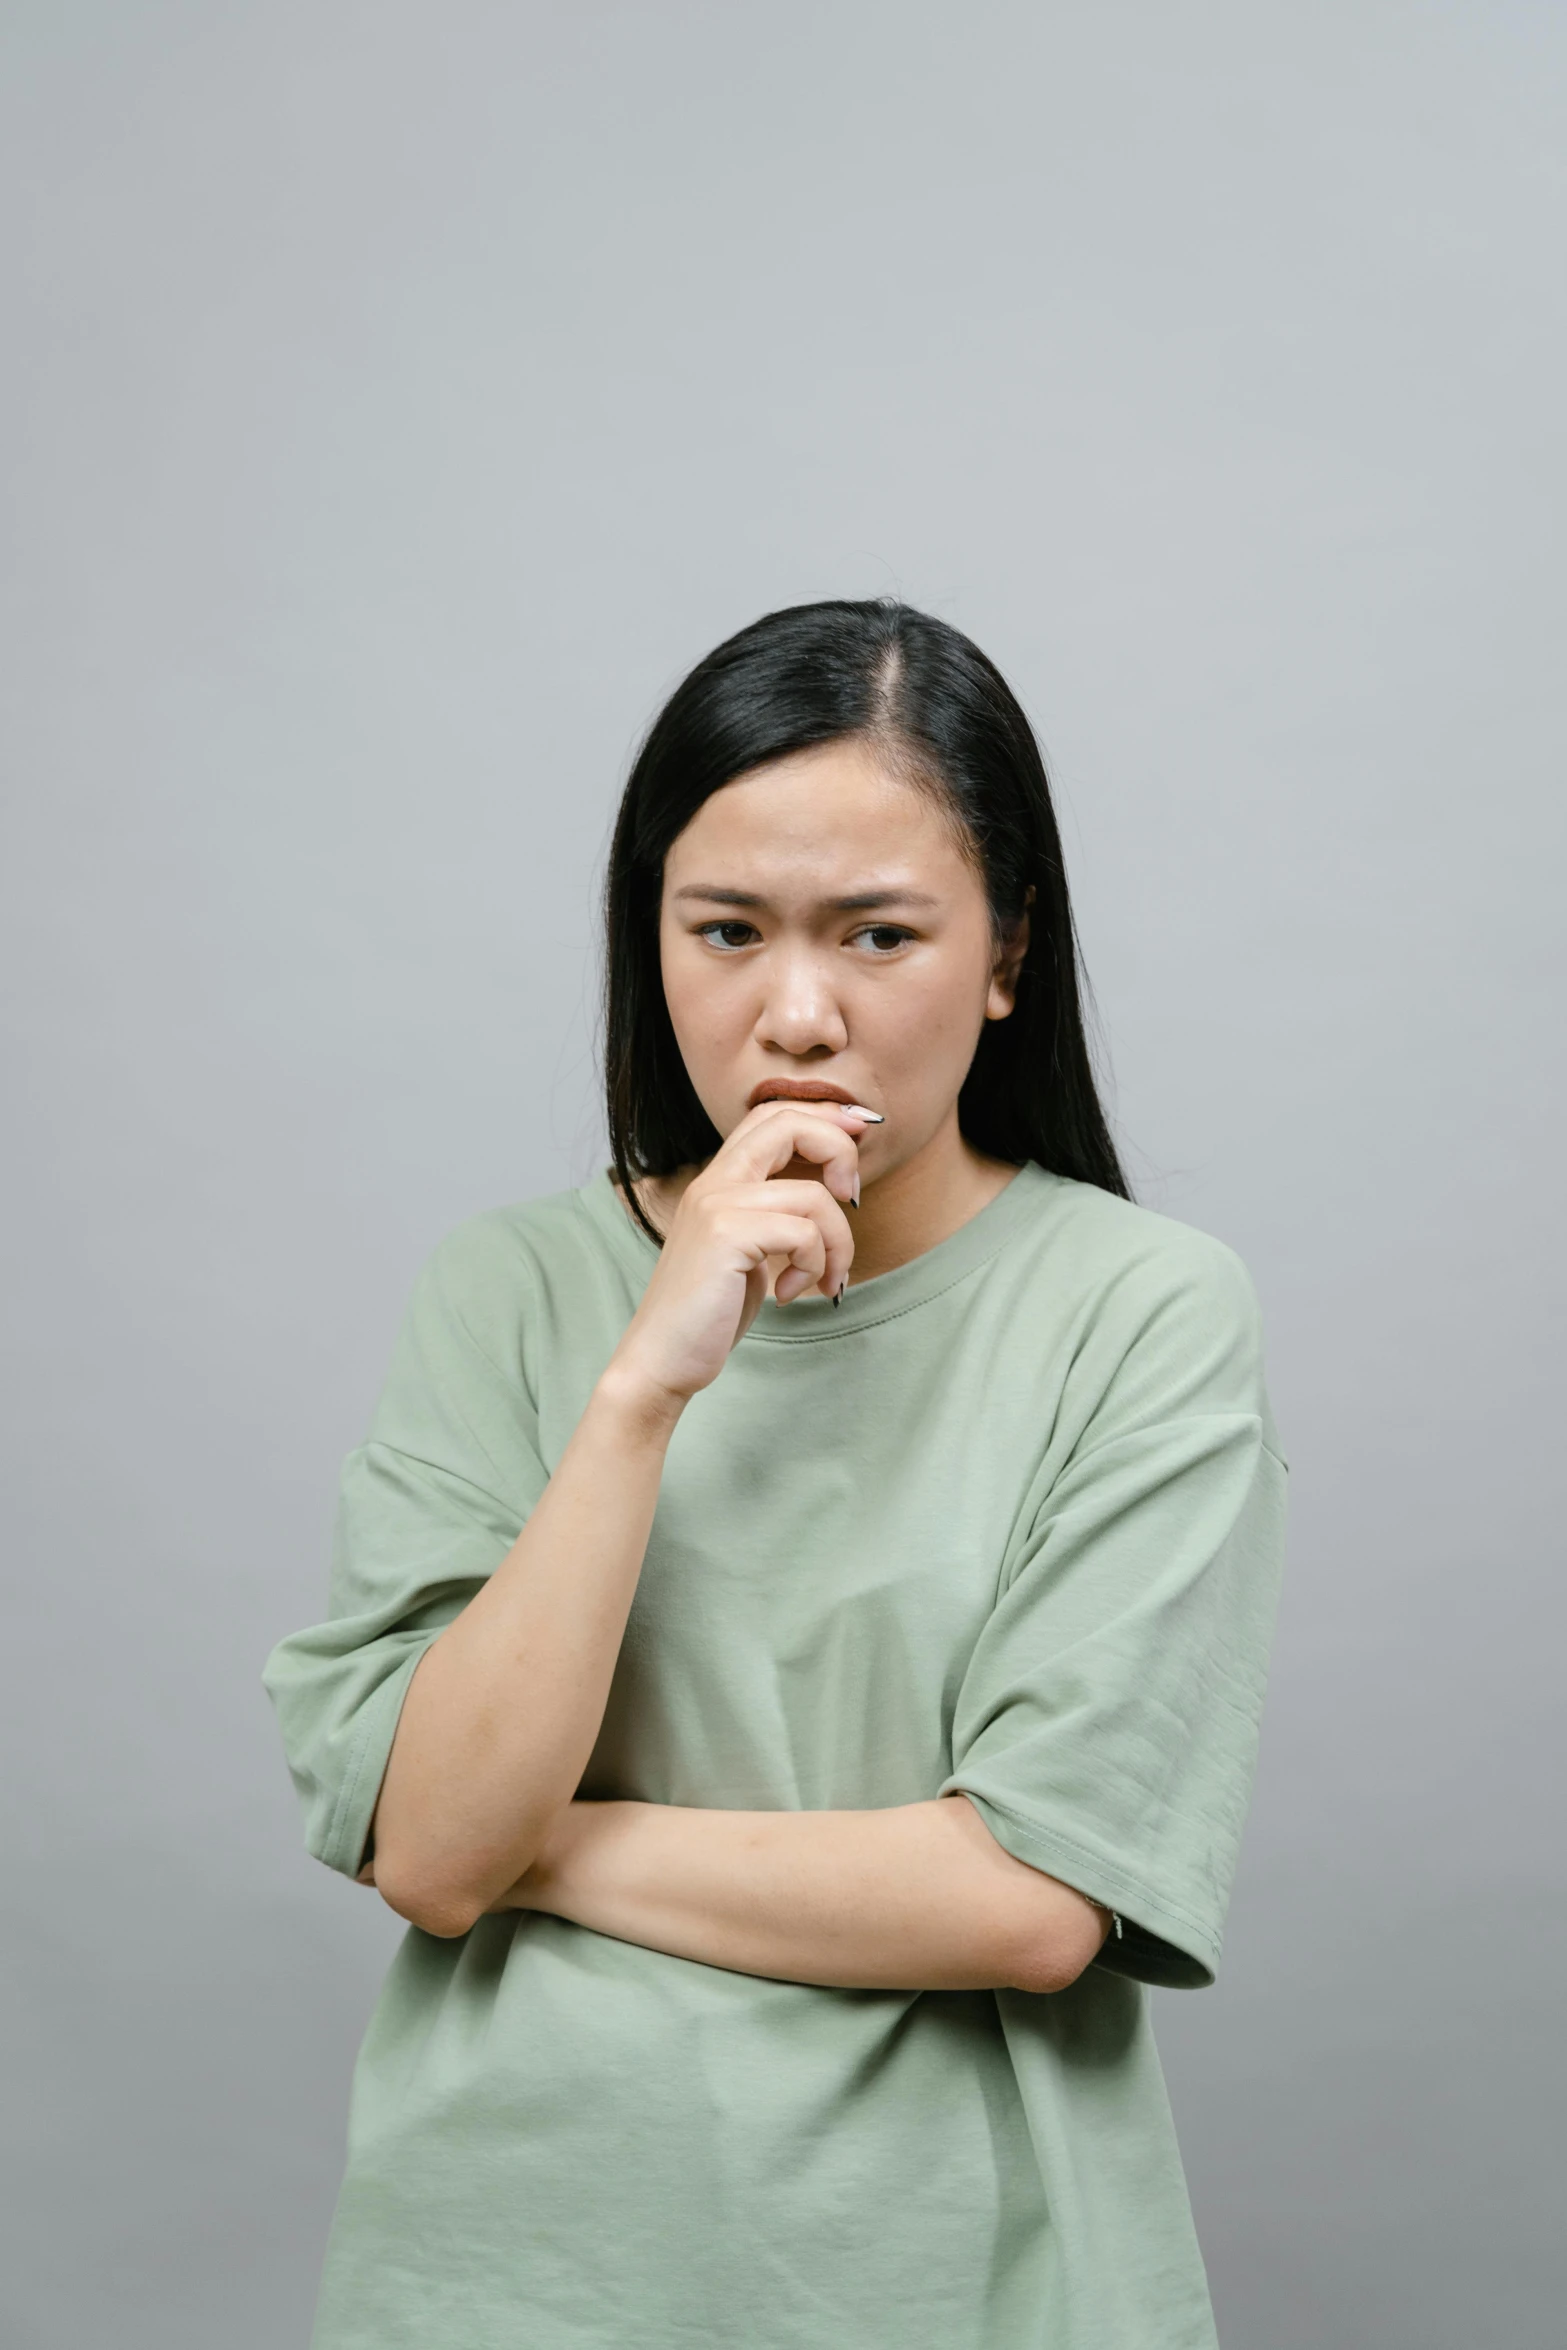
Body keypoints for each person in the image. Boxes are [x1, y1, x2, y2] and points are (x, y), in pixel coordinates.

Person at [263, 597, 1289, 2350]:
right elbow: (439, 1842)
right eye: (723, 928)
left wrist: (546, 1847)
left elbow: (1030, 1898)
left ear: (1007, 951)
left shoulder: (1140, 1310)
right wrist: (644, 1386)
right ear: (645, 939)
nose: (792, 1012)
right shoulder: (507, 1290)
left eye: (877, 934)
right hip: (510, 2271)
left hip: (962, 2283)